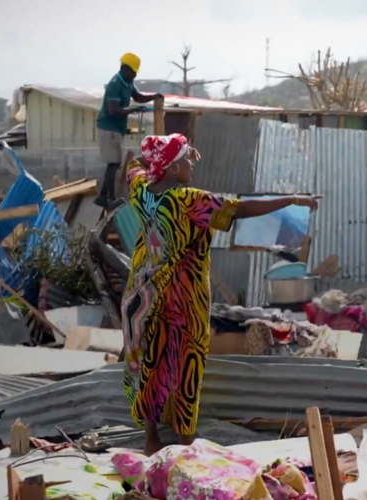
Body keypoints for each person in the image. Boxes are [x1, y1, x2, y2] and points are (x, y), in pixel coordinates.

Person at [120, 133, 322, 455]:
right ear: (172, 169)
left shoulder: (144, 193)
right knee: (187, 364)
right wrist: (294, 199)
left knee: (152, 363)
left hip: (146, 296)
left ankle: (151, 440)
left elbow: (134, 165)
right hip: (184, 299)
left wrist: (161, 156)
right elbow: (241, 209)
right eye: (186, 160)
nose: (191, 166)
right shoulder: (188, 200)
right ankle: (186, 438)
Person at [94, 52, 163, 210]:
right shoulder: (115, 85)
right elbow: (113, 110)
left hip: (116, 128)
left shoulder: (127, 82)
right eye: (133, 71)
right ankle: (110, 199)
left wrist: (154, 97)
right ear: (124, 69)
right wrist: (133, 110)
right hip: (108, 127)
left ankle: (102, 197)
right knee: (114, 163)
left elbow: (137, 96)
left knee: (114, 163)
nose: (135, 75)